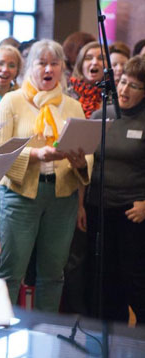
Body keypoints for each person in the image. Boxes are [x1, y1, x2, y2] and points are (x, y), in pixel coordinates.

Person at [0, 40, 91, 312]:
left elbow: (88, 154)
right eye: (41, 63)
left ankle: (46, 334)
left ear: (62, 69)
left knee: (53, 273)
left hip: (62, 197)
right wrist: (36, 155)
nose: (48, 68)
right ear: (29, 67)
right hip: (20, 194)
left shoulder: (72, 106)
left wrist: (80, 162)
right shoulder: (12, 101)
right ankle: (1, 335)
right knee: (11, 270)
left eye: (54, 63)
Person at [84, 56, 145, 323]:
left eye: (134, 86)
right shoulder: (101, 115)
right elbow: (86, 163)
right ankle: (109, 338)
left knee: (133, 279)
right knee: (102, 279)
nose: (124, 90)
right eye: (122, 82)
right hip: (97, 207)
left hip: (132, 212)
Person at [67, 41, 103, 119]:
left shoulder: (113, 95)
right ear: (81, 64)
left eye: (100, 58)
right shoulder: (66, 93)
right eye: (88, 58)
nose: (95, 62)